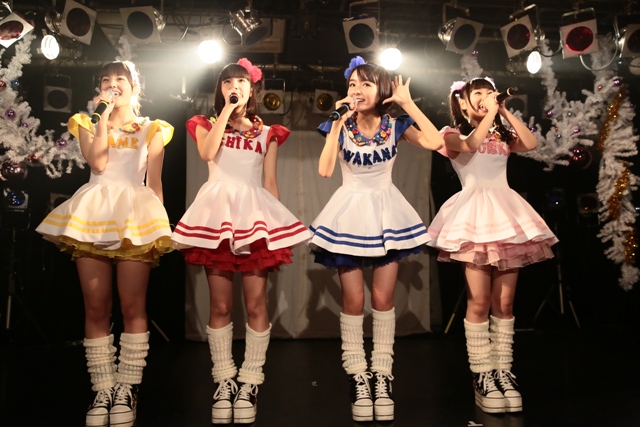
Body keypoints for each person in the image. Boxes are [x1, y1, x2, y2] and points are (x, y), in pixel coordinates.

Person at [171, 58, 311, 425]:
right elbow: (207, 153)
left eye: (242, 82)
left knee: (255, 305)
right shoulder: (205, 124)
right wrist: (226, 112)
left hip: (253, 217)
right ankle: (223, 380)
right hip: (217, 216)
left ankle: (250, 381)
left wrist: (276, 228)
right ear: (220, 89)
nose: (235, 86)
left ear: (253, 88)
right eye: (228, 82)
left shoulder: (268, 133)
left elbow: (269, 182)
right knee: (220, 306)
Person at [36, 61, 174, 427]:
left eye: (120, 79)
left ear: (135, 87)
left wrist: (159, 227)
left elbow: (155, 183)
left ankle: (128, 388)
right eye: (106, 80)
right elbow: (97, 162)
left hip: (135, 214)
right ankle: (102, 388)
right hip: (94, 213)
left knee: (132, 305)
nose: (113, 85)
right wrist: (101, 118)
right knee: (96, 306)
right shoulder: (86, 122)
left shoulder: (152, 128)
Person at [308, 56, 443, 422]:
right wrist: (336, 124)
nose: (356, 90)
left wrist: (408, 103)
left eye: (365, 84)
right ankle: (357, 375)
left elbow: (434, 141)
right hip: (350, 214)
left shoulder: (394, 124)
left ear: (381, 90)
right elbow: (325, 170)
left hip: (386, 214)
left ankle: (383, 374)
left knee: (383, 299)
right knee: (354, 301)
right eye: (352, 84)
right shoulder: (340, 125)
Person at [427, 77, 558, 414]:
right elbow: (470, 146)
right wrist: (488, 115)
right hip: (474, 213)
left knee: (505, 301)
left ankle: (503, 371)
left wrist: (504, 110)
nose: (486, 97)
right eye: (479, 93)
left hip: (505, 213)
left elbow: (530, 143)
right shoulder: (450, 133)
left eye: (489, 92)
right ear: (463, 102)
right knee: (480, 300)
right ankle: (482, 374)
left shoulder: (501, 133)